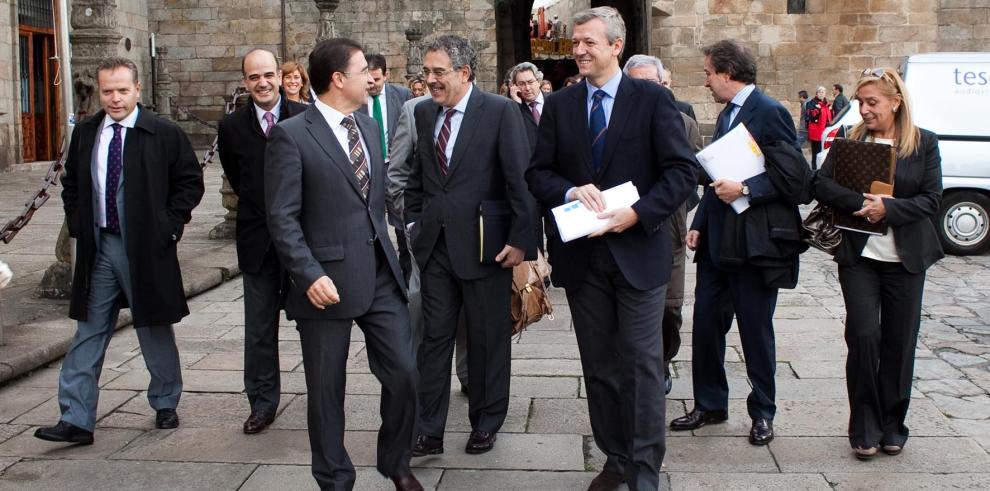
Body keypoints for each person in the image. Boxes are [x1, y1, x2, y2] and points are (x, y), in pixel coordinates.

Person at [526, 8, 697, 491]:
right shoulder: (560, 105)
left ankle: (645, 470)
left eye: (588, 42)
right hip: (582, 261)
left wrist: (639, 212)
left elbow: (682, 172)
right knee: (599, 366)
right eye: (575, 42)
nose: (578, 49)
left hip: (639, 254)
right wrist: (568, 191)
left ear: (616, 46)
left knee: (642, 364)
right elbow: (537, 172)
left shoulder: (652, 100)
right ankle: (616, 458)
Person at [264, 38, 422, 491]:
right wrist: (309, 274)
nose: (371, 78)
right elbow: (282, 216)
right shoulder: (291, 135)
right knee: (326, 390)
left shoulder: (370, 129)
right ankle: (334, 478)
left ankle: (396, 461)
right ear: (338, 80)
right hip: (324, 282)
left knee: (406, 373)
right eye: (361, 71)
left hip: (379, 273)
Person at [34, 57, 204, 445]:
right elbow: (73, 183)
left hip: (146, 248)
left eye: (122, 90)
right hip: (101, 247)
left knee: (153, 326)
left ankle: (165, 401)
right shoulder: (88, 133)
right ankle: (76, 418)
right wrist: (78, 223)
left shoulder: (162, 132)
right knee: (88, 330)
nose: (114, 98)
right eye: (107, 91)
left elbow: (189, 183)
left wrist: (168, 225)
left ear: (137, 89)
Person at [672, 39, 804, 448]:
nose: (706, 81)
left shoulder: (769, 112)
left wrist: (746, 186)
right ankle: (711, 403)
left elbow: (796, 180)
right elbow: (717, 177)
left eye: (709, 73)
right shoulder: (730, 112)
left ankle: (763, 411)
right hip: (717, 244)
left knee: (754, 331)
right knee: (707, 326)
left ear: (728, 73)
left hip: (755, 246)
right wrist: (701, 221)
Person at [406, 34, 533, 457]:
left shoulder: (498, 112)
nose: (429, 80)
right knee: (434, 340)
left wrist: (520, 240)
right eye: (426, 72)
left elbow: (520, 180)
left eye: (438, 72)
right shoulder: (423, 114)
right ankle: (428, 430)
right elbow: (417, 176)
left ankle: (486, 421)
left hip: (486, 248)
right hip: (435, 248)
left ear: (464, 73)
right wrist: (413, 221)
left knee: (486, 340)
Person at [811, 67, 943, 461]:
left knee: (900, 343)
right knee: (864, 336)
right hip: (859, 257)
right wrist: (859, 205)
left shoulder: (923, 144)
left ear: (895, 103)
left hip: (905, 259)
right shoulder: (851, 141)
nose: (864, 110)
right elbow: (819, 184)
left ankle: (892, 425)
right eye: (860, 103)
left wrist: (889, 208)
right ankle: (864, 426)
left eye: (873, 103)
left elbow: (932, 200)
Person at [218, 49, 308, 435]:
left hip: (305, 243)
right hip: (257, 242)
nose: (263, 83)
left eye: (268, 74)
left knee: (314, 325)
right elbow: (238, 179)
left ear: (280, 75)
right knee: (258, 328)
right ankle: (261, 402)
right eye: (254, 77)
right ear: (245, 81)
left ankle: (322, 397)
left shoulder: (305, 117)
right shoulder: (232, 127)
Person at [622, 54, 703, 396]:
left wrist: (680, 208)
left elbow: (695, 175)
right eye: (635, 83)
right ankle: (636, 368)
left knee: (669, 308)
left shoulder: (684, 123)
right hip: (623, 226)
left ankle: (663, 362)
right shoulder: (613, 122)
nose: (643, 90)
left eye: (650, 83)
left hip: (669, 230)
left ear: (663, 85)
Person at [387, 91, 473, 396]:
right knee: (422, 303)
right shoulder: (414, 111)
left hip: (467, 234)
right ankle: (419, 377)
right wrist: (412, 224)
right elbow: (396, 172)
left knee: (467, 308)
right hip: (425, 232)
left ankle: (468, 374)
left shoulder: (482, 108)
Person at [361, 54, 414, 281]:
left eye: (376, 80)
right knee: (370, 224)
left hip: (396, 169)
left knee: (402, 224)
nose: (371, 85)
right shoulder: (356, 99)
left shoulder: (402, 96)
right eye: (367, 80)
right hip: (368, 171)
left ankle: (407, 271)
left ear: (386, 75)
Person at [807, 86, 832, 169]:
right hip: (816, 132)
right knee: (816, 151)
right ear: (816, 93)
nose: (821, 93)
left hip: (825, 131)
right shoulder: (812, 103)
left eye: (823, 92)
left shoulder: (826, 104)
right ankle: (814, 168)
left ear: (825, 94)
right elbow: (811, 117)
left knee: (823, 151)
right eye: (820, 92)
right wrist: (816, 110)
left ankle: (821, 167)